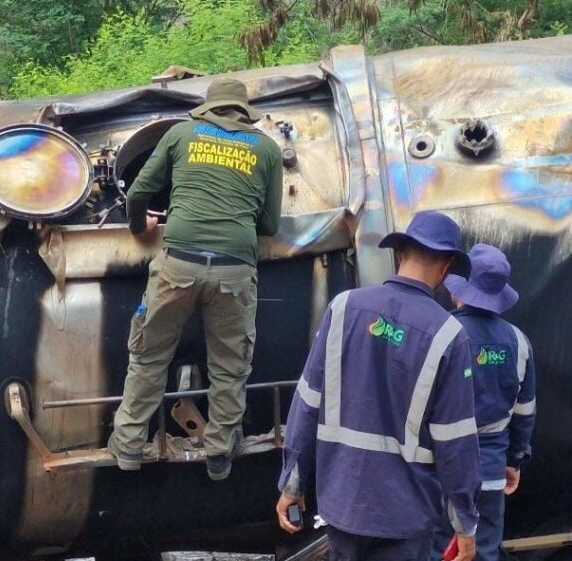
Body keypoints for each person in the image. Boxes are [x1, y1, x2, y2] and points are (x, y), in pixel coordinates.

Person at [275, 211, 481, 561]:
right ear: (446, 268)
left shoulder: (342, 309)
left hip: (343, 505)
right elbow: (455, 442)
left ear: (399, 254)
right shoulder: (448, 336)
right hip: (406, 516)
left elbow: (307, 403)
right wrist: (466, 524)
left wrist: (291, 484)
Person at [107, 77, 283, 481]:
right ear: (244, 113)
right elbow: (270, 224)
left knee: (149, 356)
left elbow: (137, 192)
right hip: (234, 271)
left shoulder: (181, 133)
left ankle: (129, 447)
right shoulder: (268, 149)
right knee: (229, 366)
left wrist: (139, 228)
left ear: (209, 108)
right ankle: (220, 454)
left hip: (177, 265)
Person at [429, 243, 536, 561]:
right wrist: (514, 460)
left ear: (459, 288)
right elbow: (524, 412)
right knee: (484, 552)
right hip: (490, 471)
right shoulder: (518, 341)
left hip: (440, 472)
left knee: (438, 551)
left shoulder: (440, 333)